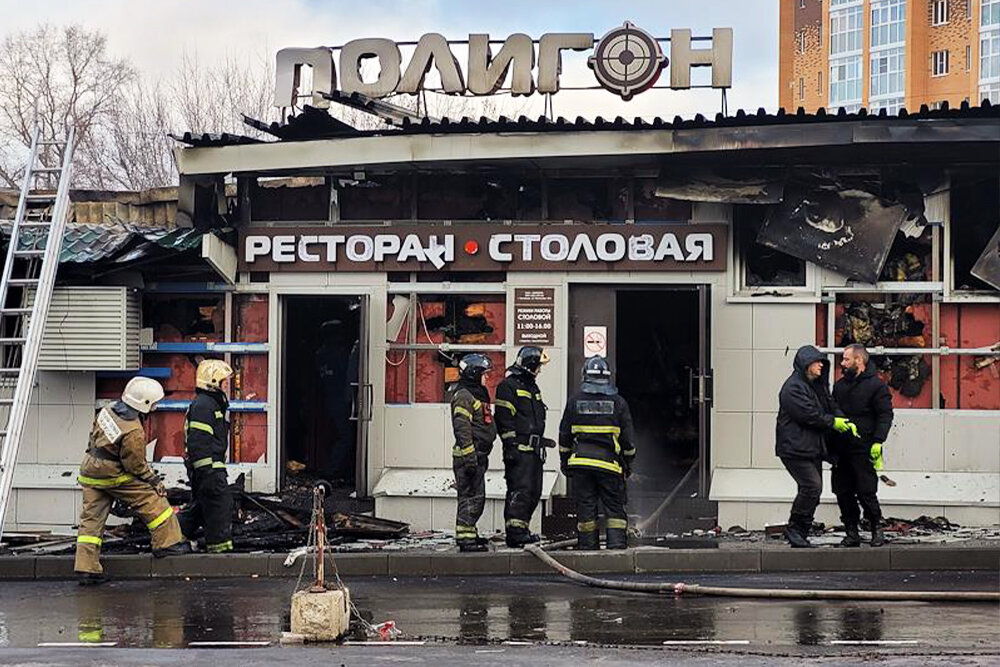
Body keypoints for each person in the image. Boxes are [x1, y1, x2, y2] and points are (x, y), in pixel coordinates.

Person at [75, 377, 190, 584]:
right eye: (153, 403)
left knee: (90, 522)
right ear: (143, 403)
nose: (155, 407)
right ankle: (167, 544)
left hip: (90, 470)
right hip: (113, 474)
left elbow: (94, 434)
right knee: (152, 501)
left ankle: (86, 568)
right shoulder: (134, 431)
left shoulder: (108, 410)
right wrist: (154, 481)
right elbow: (135, 465)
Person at [775, 345, 860, 548]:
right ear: (806, 364)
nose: (821, 365)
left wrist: (842, 420)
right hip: (794, 448)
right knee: (811, 486)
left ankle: (800, 531)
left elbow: (829, 404)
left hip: (809, 447)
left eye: (822, 362)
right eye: (817, 362)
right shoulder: (793, 388)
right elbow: (809, 415)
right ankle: (795, 529)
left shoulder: (815, 386)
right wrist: (834, 423)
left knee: (812, 489)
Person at [559, 356, 636, 550]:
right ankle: (617, 546)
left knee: (586, 506)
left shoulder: (574, 402)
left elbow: (564, 437)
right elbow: (628, 441)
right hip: (610, 465)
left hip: (581, 465)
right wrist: (628, 463)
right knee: (614, 507)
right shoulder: (618, 403)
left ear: (585, 376)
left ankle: (587, 547)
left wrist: (565, 462)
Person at [832, 344, 893, 547]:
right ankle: (851, 532)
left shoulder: (877, 386)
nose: (842, 363)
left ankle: (876, 529)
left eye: (846, 359)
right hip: (841, 449)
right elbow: (834, 409)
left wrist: (878, 441)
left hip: (864, 447)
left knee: (866, 491)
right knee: (843, 491)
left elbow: (885, 415)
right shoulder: (840, 386)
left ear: (859, 361)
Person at [495, 346, 552, 548]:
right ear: (529, 366)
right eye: (538, 367)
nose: (539, 371)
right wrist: (511, 447)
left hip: (534, 452)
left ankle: (523, 529)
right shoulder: (508, 387)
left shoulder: (532, 387)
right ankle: (515, 533)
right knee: (520, 491)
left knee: (533, 491)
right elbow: (504, 420)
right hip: (519, 451)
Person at [181, 359, 235, 554]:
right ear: (213, 382)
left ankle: (174, 535)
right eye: (225, 381)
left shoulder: (211, 404)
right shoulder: (205, 406)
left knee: (203, 506)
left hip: (210, 468)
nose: (228, 386)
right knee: (219, 505)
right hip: (208, 469)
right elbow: (199, 442)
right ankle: (219, 551)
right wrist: (207, 472)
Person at [450, 353, 497, 552]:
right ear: (474, 373)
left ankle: (470, 533)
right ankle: (465, 538)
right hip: (469, 457)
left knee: (476, 497)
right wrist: (470, 459)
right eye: (484, 374)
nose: (486, 378)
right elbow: (462, 429)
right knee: (470, 497)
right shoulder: (463, 396)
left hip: (478, 456)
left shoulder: (475, 394)